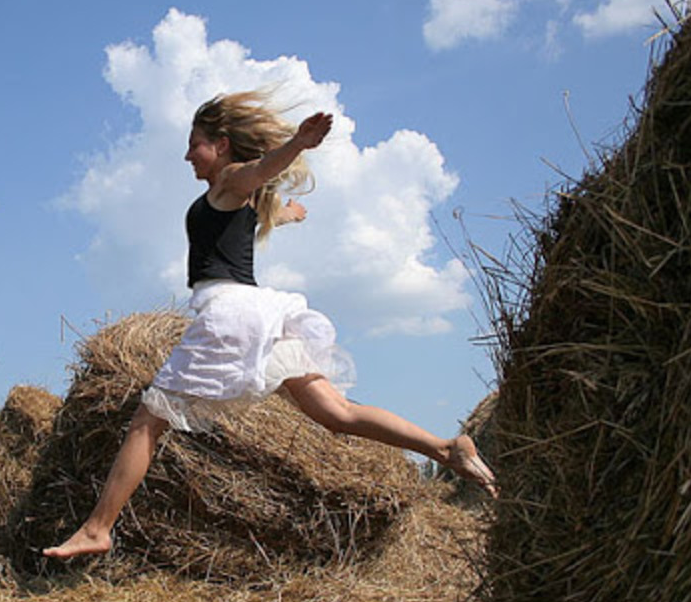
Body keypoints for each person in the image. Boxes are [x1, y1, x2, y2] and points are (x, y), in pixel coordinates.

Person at [44, 91, 496, 559]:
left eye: (194, 143)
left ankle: (99, 528)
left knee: (147, 422)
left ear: (221, 144)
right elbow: (254, 208)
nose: (186, 155)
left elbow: (257, 172)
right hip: (261, 313)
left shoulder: (230, 181)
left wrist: (297, 144)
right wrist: (284, 215)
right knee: (336, 413)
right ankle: (445, 447)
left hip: (228, 312)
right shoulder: (234, 199)